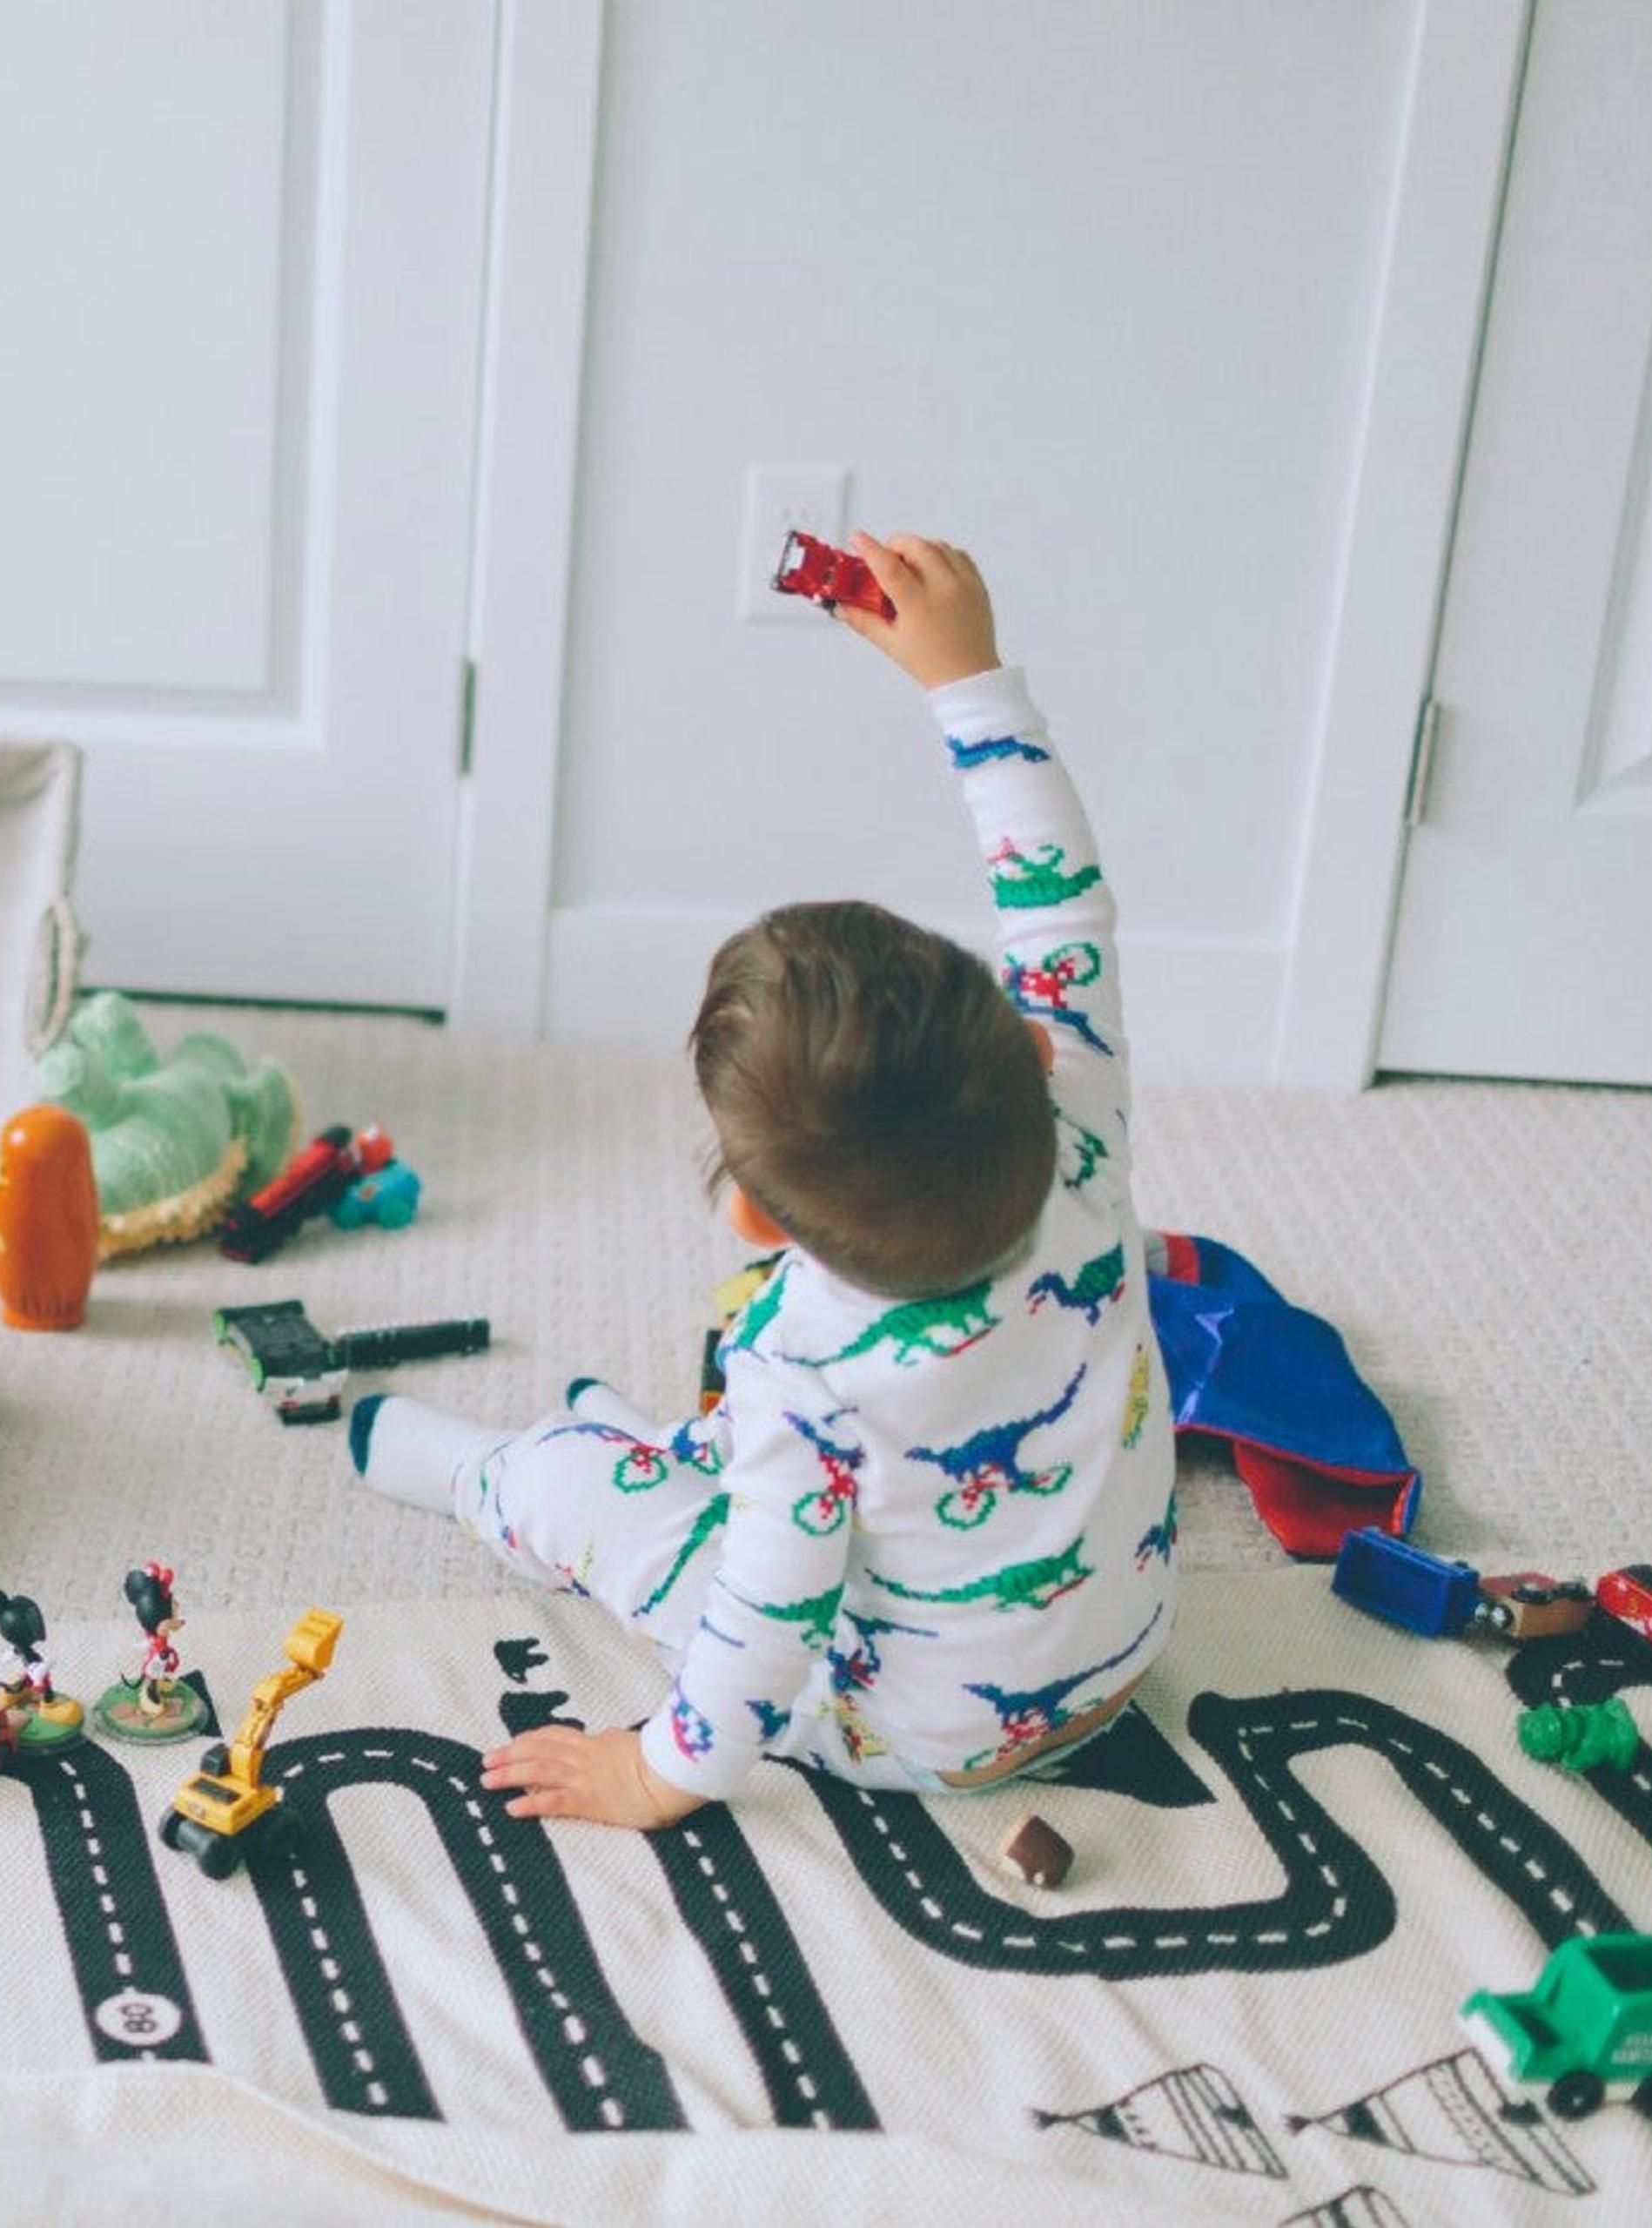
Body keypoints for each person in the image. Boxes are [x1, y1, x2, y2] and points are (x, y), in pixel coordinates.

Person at [351, 534, 1173, 1829]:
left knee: (578, 1478)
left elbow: (763, 1622)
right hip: (1115, 1667)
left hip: (912, 1733)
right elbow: (1062, 907)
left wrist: (654, 1770)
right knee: (756, 1461)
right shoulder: (1083, 1117)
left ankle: (476, 1477)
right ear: (1023, 1040)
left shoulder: (799, 1361)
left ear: (750, 1213)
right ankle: (663, 1446)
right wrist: (968, 680)